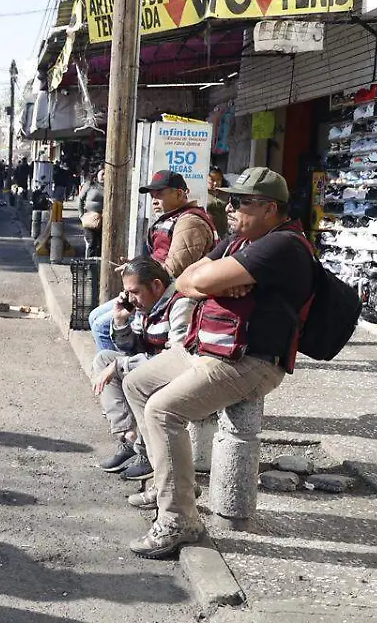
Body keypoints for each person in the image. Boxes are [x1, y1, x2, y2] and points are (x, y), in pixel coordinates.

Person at [122, 167, 314, 559]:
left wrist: (211, 280)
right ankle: (178, 485)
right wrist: (214, 278)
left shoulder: (282, 246)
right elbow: (185, 280)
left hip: (249, 361)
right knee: (137, 383)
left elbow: (199, 282)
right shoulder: (237, 241)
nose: (229, 207)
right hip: (207, 349)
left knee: (162, 411)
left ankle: (179, 521)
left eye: (240, 202)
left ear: (269, 209)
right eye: (230, 199)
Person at [90, 256, 194, 483]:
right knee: (103, 360)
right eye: (128, 293)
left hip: (176, 372)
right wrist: (120, 322)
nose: (131, 299)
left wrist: (121, 365)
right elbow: (132, 348)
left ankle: (147, 452)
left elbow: (176, 358)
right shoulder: (144, 306)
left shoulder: (180, 304)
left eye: (135, 292)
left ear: (156, 286)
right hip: (152, 363)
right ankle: (129, 437)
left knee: (129, 374)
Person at [88, 170, 217, 352]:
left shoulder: (190, 222)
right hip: (155, 289)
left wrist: (141, 272)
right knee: (94, 316)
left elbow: (175, 270)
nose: (154, 200)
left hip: (168, 297)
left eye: (160, 194)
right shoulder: (171, 218)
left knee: (102, 326)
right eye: (152, 195)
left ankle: (122, 372)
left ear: (180, 194)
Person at [78, 170, 105, 258]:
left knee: (102, 245)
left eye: (106, 174)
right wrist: (81, 215)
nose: (104, 176)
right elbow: (80, 200)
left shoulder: (109, 186)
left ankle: (99, 267)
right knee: (92, 242)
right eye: (102, 174)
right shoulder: (90, 185)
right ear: (97, 174)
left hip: (104, 220)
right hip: (90, 219)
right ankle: (89, 266)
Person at [205, 166, 229, 238]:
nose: (215, 183)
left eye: (218, 179)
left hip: (224, 232)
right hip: (208, 232)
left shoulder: (226, 193)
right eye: (212, 180)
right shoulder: (202, 194)